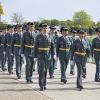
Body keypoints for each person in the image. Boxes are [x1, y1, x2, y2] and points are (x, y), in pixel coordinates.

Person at [34, 23, 56, 91]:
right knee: (42, 69)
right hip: (40, 54)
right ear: (42, 29)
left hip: (48, 55)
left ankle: (44, 84)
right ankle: (41, 85)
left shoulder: (50, 37)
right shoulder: (38, 37)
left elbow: (53, 47)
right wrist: (35, 56)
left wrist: (54, 54)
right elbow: (35, 47)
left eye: (46, 28)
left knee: (46, 70)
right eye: (44, 28)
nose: (45, 29)